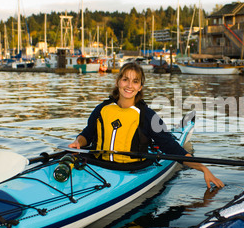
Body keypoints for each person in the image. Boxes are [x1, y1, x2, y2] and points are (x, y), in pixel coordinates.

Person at [69, 62, 224, 189]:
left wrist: (203, 168)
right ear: (117, 82)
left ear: (140, 87)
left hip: (130, 171)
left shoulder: (148, 116)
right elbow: (87, 134)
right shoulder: (102, 109)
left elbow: (171, 148)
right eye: (125, 80)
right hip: (97, 167)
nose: (129, 85)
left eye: (135, 81)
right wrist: (78, 142)